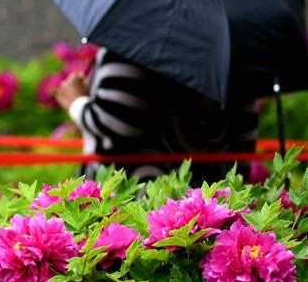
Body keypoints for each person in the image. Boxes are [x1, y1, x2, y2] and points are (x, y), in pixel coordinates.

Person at [56, 47, 259, 185]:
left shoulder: (135, 34)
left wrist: (77, 103)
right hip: (216, 205)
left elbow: (117, 122)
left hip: (139, 204)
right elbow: (244, 139)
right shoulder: (238, 41)